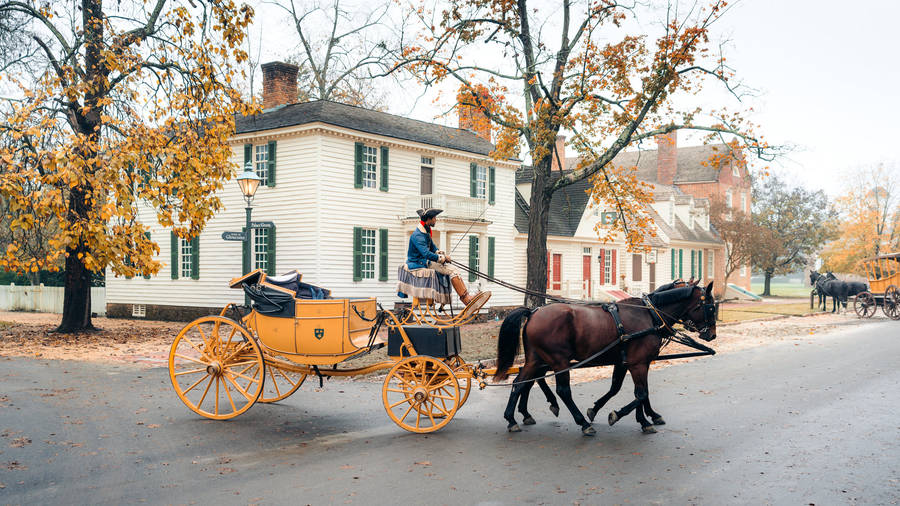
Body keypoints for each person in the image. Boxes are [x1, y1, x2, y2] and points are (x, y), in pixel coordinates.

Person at [407, 208, 481, 305]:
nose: (436, 220)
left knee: (454, 269)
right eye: (434, 218)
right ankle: (466, 299)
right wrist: (442, 259)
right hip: (419, 263)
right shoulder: (418, 235)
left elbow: (432, 246)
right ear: (428, 219)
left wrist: (440, 253)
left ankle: (467, 296)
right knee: (453, 270)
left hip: (424, 261)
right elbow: (426, 253)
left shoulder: (425, 230)